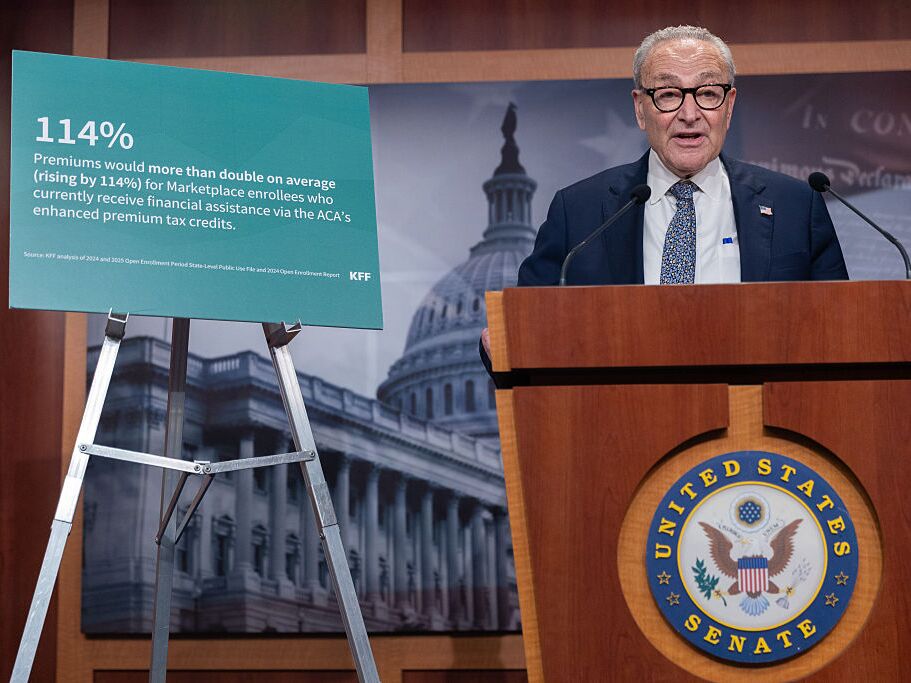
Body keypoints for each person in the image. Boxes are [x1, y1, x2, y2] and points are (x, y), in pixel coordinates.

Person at [480, 24, 848, 360]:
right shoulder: (579, 212)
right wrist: (502, 344)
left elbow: (841, 336)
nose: (690, 113)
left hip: (758, 422)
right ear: (641, 109)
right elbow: (523, 331)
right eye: (669, 94)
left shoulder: (795, 206)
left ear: (729, 106)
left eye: (707, 93)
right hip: (621, 423)